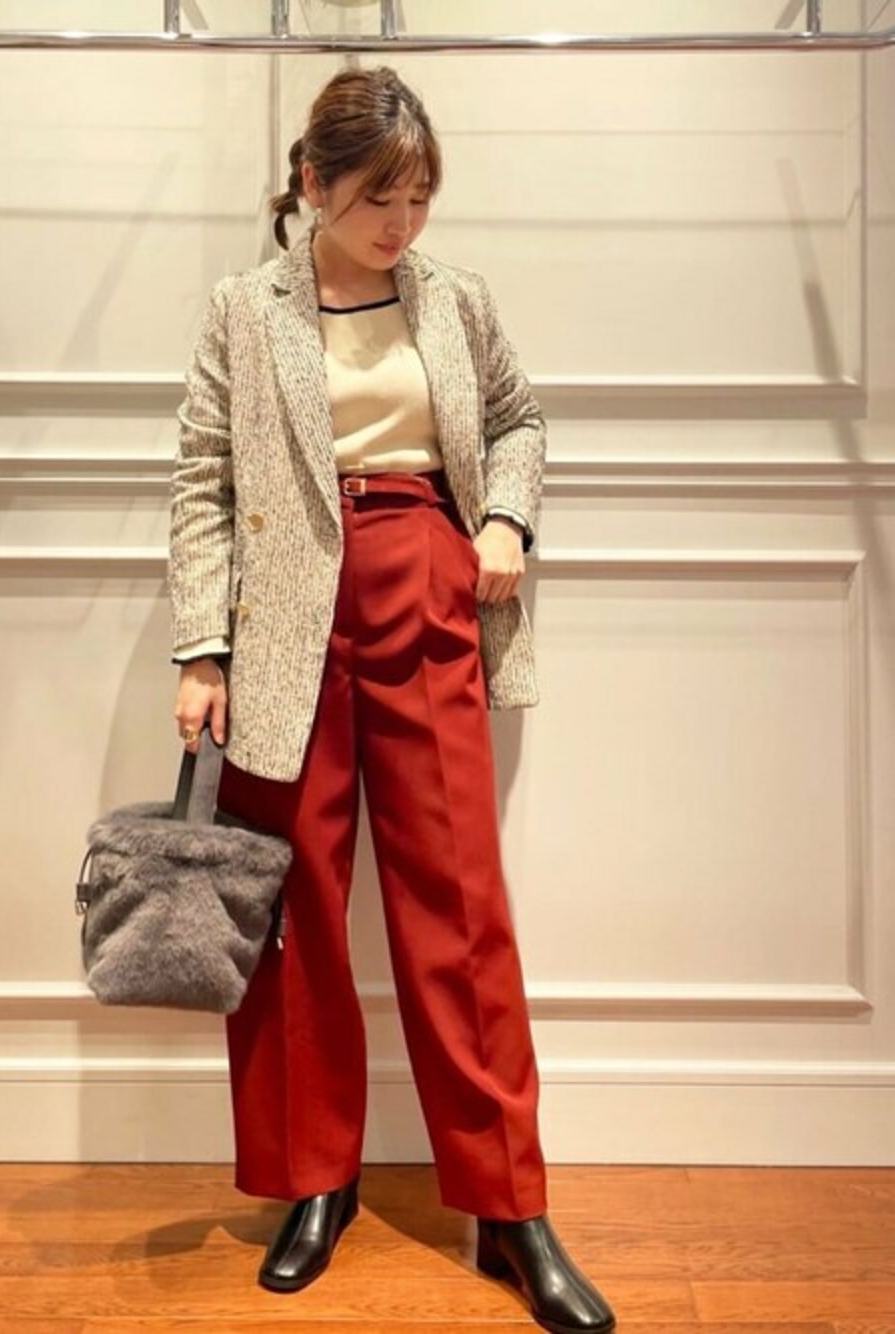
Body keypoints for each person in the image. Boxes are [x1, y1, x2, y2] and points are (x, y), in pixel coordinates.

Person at [167, 65, 616, 1334]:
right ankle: (317, 1179)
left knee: (458, 905)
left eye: (418, 198)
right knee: (295, 909)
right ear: (313, 183)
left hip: (425, 590)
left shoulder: (454, 297)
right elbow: (201, 475)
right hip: (285, 622)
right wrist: (201, 647)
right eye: (378, 197)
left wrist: (505, 519)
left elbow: (518, 421)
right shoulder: (243, 310)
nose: (400, 223)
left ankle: (510, 1205)